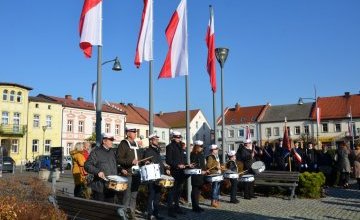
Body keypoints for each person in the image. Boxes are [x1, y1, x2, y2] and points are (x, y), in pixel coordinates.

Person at [116, 126, 142, 219]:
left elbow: (140, 157)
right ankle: (124, 214)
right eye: (133, 132)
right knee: (127, 195)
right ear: (128, 133)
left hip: (137, 173)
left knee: (134, 195)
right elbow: (118, 159)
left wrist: (143, 161)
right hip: (128, 173)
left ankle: (131, 214)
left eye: (135, 132)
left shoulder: (136, 144)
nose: (135, 133)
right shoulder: (123, 144)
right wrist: (130, 162)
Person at [142, 133, 169, 220]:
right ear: (151, 141)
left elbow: (159, 162)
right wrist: (148, 163)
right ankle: (150, 215)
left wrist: (165, 167)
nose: (157, 141)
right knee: (152, 196)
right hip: (152, 177)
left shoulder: (157, 150)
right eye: (155, 139)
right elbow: (146, 163)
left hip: (159, 176)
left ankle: (156, 214)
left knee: (157, 195)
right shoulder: (148, 151)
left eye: (157, 139)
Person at [84, 134, 118, 202]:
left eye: (112, 140)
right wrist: (98, 171)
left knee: (110, 209)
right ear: (104, 141)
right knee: (99, 210)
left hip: (111, 186)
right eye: (110, 140)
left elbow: (115, 166)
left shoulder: (112, 152)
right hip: (100, 187)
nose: (112, 142)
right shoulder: (96, 152)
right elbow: (87, 165)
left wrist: (122, 170)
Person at [166, 131, 189, 217]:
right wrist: (177, 165)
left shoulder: (180, 147)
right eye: (177, 137)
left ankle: (177, 207)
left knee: (178, 191)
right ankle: (170, 210)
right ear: (173, 137)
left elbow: (182, 159)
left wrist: (187, 164)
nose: (179, 138)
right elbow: (168, 160)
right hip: (174, 171)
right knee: (172, 192)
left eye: (179, 137)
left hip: (181, 172)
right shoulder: (169, 147)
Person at [190, 140, 207, 213]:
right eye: (201, 147)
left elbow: (202, 165)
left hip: (201, 175)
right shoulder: (193, 154)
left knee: (198, 191)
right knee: (195, 191)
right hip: (196, 175)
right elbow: (194, 166)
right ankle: (195, 206)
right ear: (197, 147)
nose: (202, 148)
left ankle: (197, 205)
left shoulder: (201, 154)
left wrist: (205, 170)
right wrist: (201, 171)